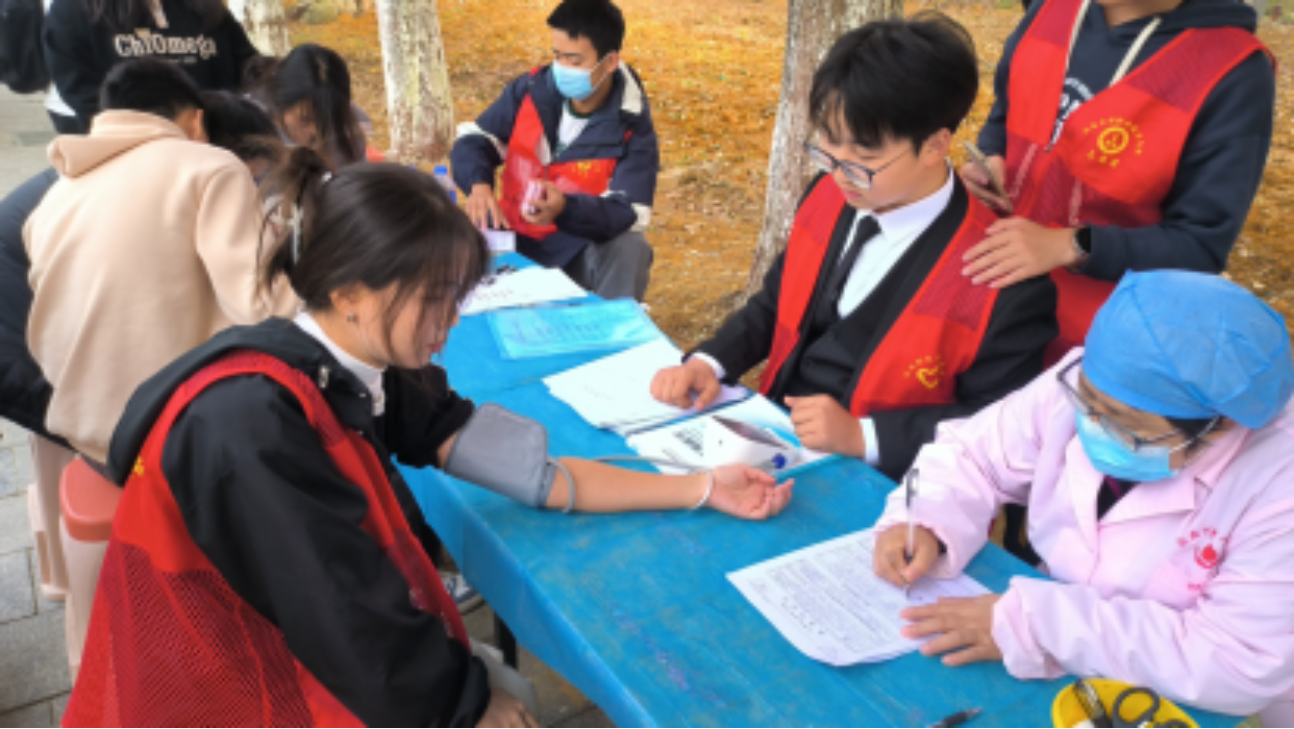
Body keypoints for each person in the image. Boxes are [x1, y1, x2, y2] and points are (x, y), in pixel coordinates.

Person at [61, 151, 795, 728]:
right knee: (505, 694)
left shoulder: (368, 371)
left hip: (296, 649)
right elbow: (347, 619)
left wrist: (702, 486)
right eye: (431, 297)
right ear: (348, 291)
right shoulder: (255, 425)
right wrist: (465, 705)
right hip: (225, 688)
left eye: (457, 295)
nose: (449, 322)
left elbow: (539, 477)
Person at [871, 271, 1294, 724]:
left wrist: (1040, 624)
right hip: (1056, 652)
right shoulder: (1097, 378)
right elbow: (972, 455)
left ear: (1220, 425)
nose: (1091, 423)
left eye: (1126, 424)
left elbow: (1239, 660)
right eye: (1087, 400)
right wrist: (927, 521)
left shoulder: (1277, 485)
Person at [650, 15, 1057, 481]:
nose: (840, 173)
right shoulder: (826, 195)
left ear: (935, 146)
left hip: (893, 491)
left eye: (864, 157)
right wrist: (710, 361)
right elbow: (776, 301)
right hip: (775, 446)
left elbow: (1000, 425)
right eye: (828, 143)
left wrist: (865, 436)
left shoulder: (1003, 279)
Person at [959, 0, 1275, 361]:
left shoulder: (1231, 72)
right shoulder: (1048, 10)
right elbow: (1007, 110)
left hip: (1090, 343)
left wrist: (1073, 245)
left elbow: (1200, 244)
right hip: (983, 298)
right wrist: (992, 155)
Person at [24, 58, 297, 468]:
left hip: (86, 435)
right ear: (196, 122)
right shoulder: (209, 165)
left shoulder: (55, 197)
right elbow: (263, 306)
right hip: (170, 436)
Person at [451, 0, 659, 302]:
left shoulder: (632, 125)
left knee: (631, 247)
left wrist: (566, 208)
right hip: (511, 239)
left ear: (610, 62)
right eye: (557, 56)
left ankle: (612, 324)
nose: (561, 69)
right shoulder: (532, 89)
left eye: (574, 61)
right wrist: (478, 184)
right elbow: (475, 138)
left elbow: (628, 212)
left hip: (575, 249)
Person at [42, 0, 260, 133]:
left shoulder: (206, 9)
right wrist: (167, 133)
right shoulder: (74, 9)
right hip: (128, 158)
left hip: (213, 151)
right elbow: (80, 92)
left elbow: (250, 70)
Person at [244, 44, 373, 168]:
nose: (315, 130)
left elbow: (355, 174)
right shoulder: (248, 122)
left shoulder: (352, 124)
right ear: (280, 102)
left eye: (326, 120)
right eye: (305, 119)